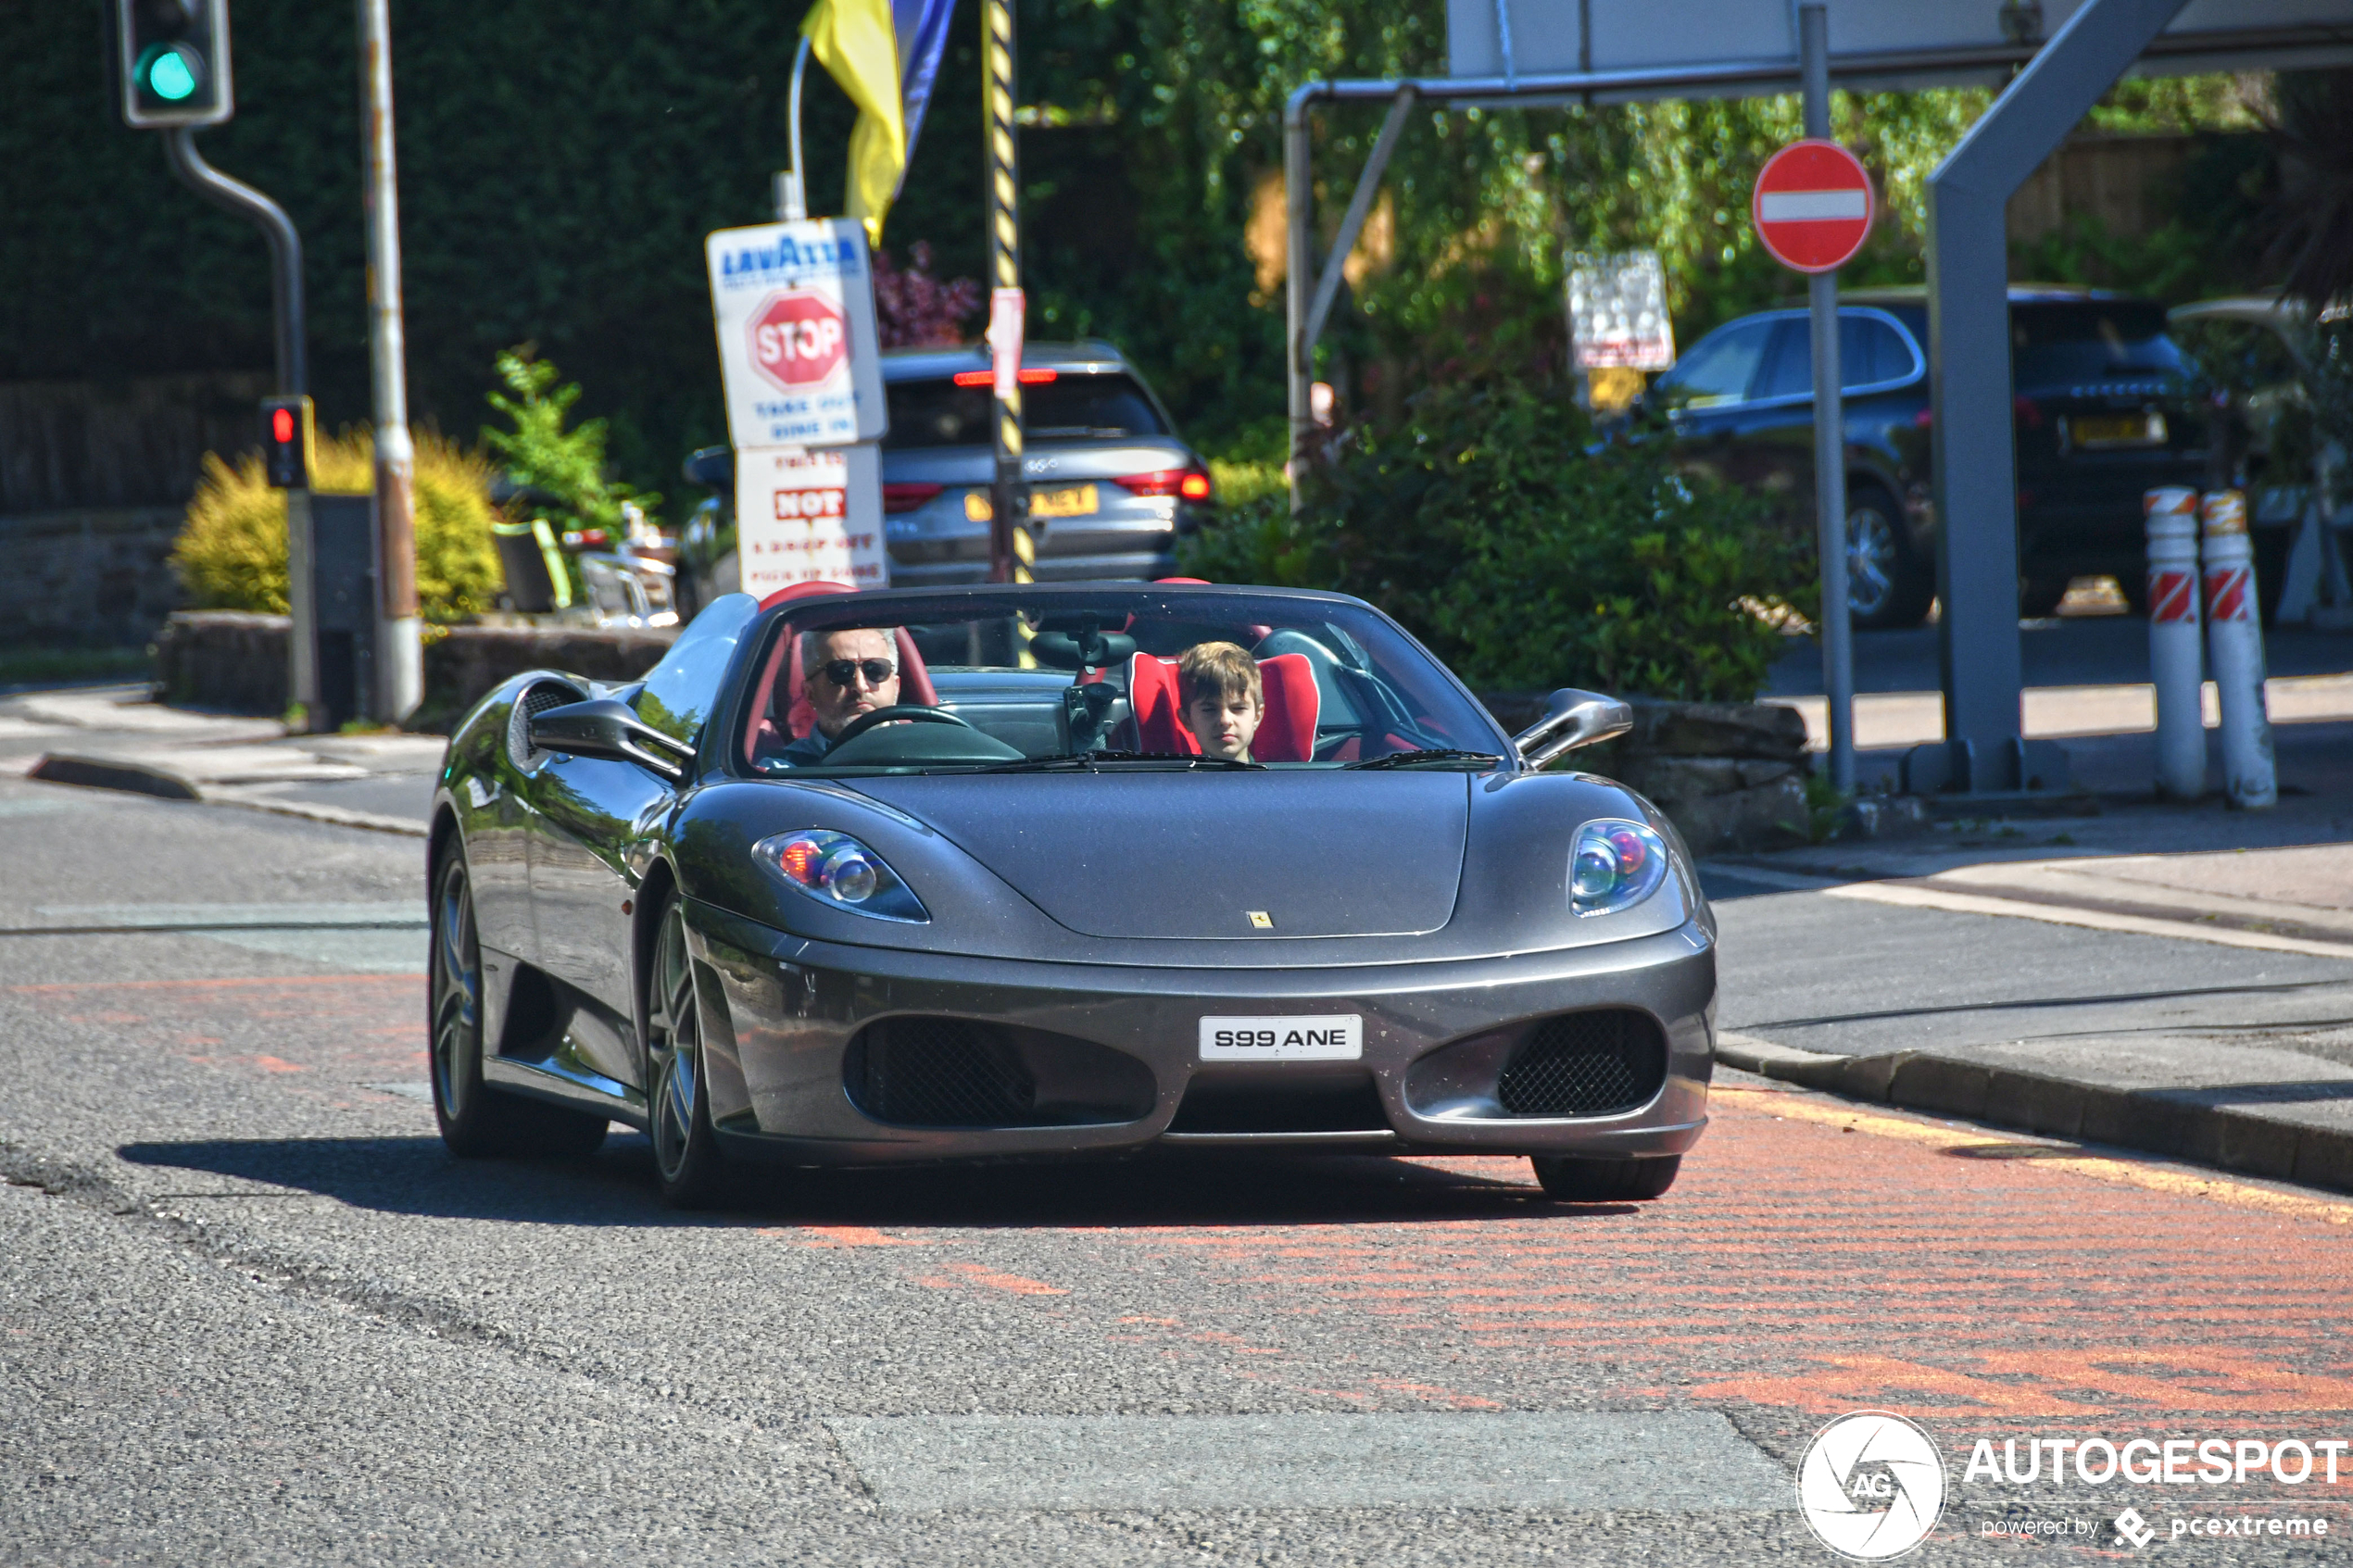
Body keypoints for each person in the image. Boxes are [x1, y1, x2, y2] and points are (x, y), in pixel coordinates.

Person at [774, 626, 903, 766]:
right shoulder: (783, 773)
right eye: (841, 671)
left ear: (896, 686)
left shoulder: (926, 749)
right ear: (810, 693)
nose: (860, 686)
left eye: (875, 670)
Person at [1177, 641, 1262, 762]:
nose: (1225, 720)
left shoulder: (1283, 778)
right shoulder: (1179, 781)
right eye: (1209, 709)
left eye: (1238, 708)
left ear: (1257, 716)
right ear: (1187, 720)